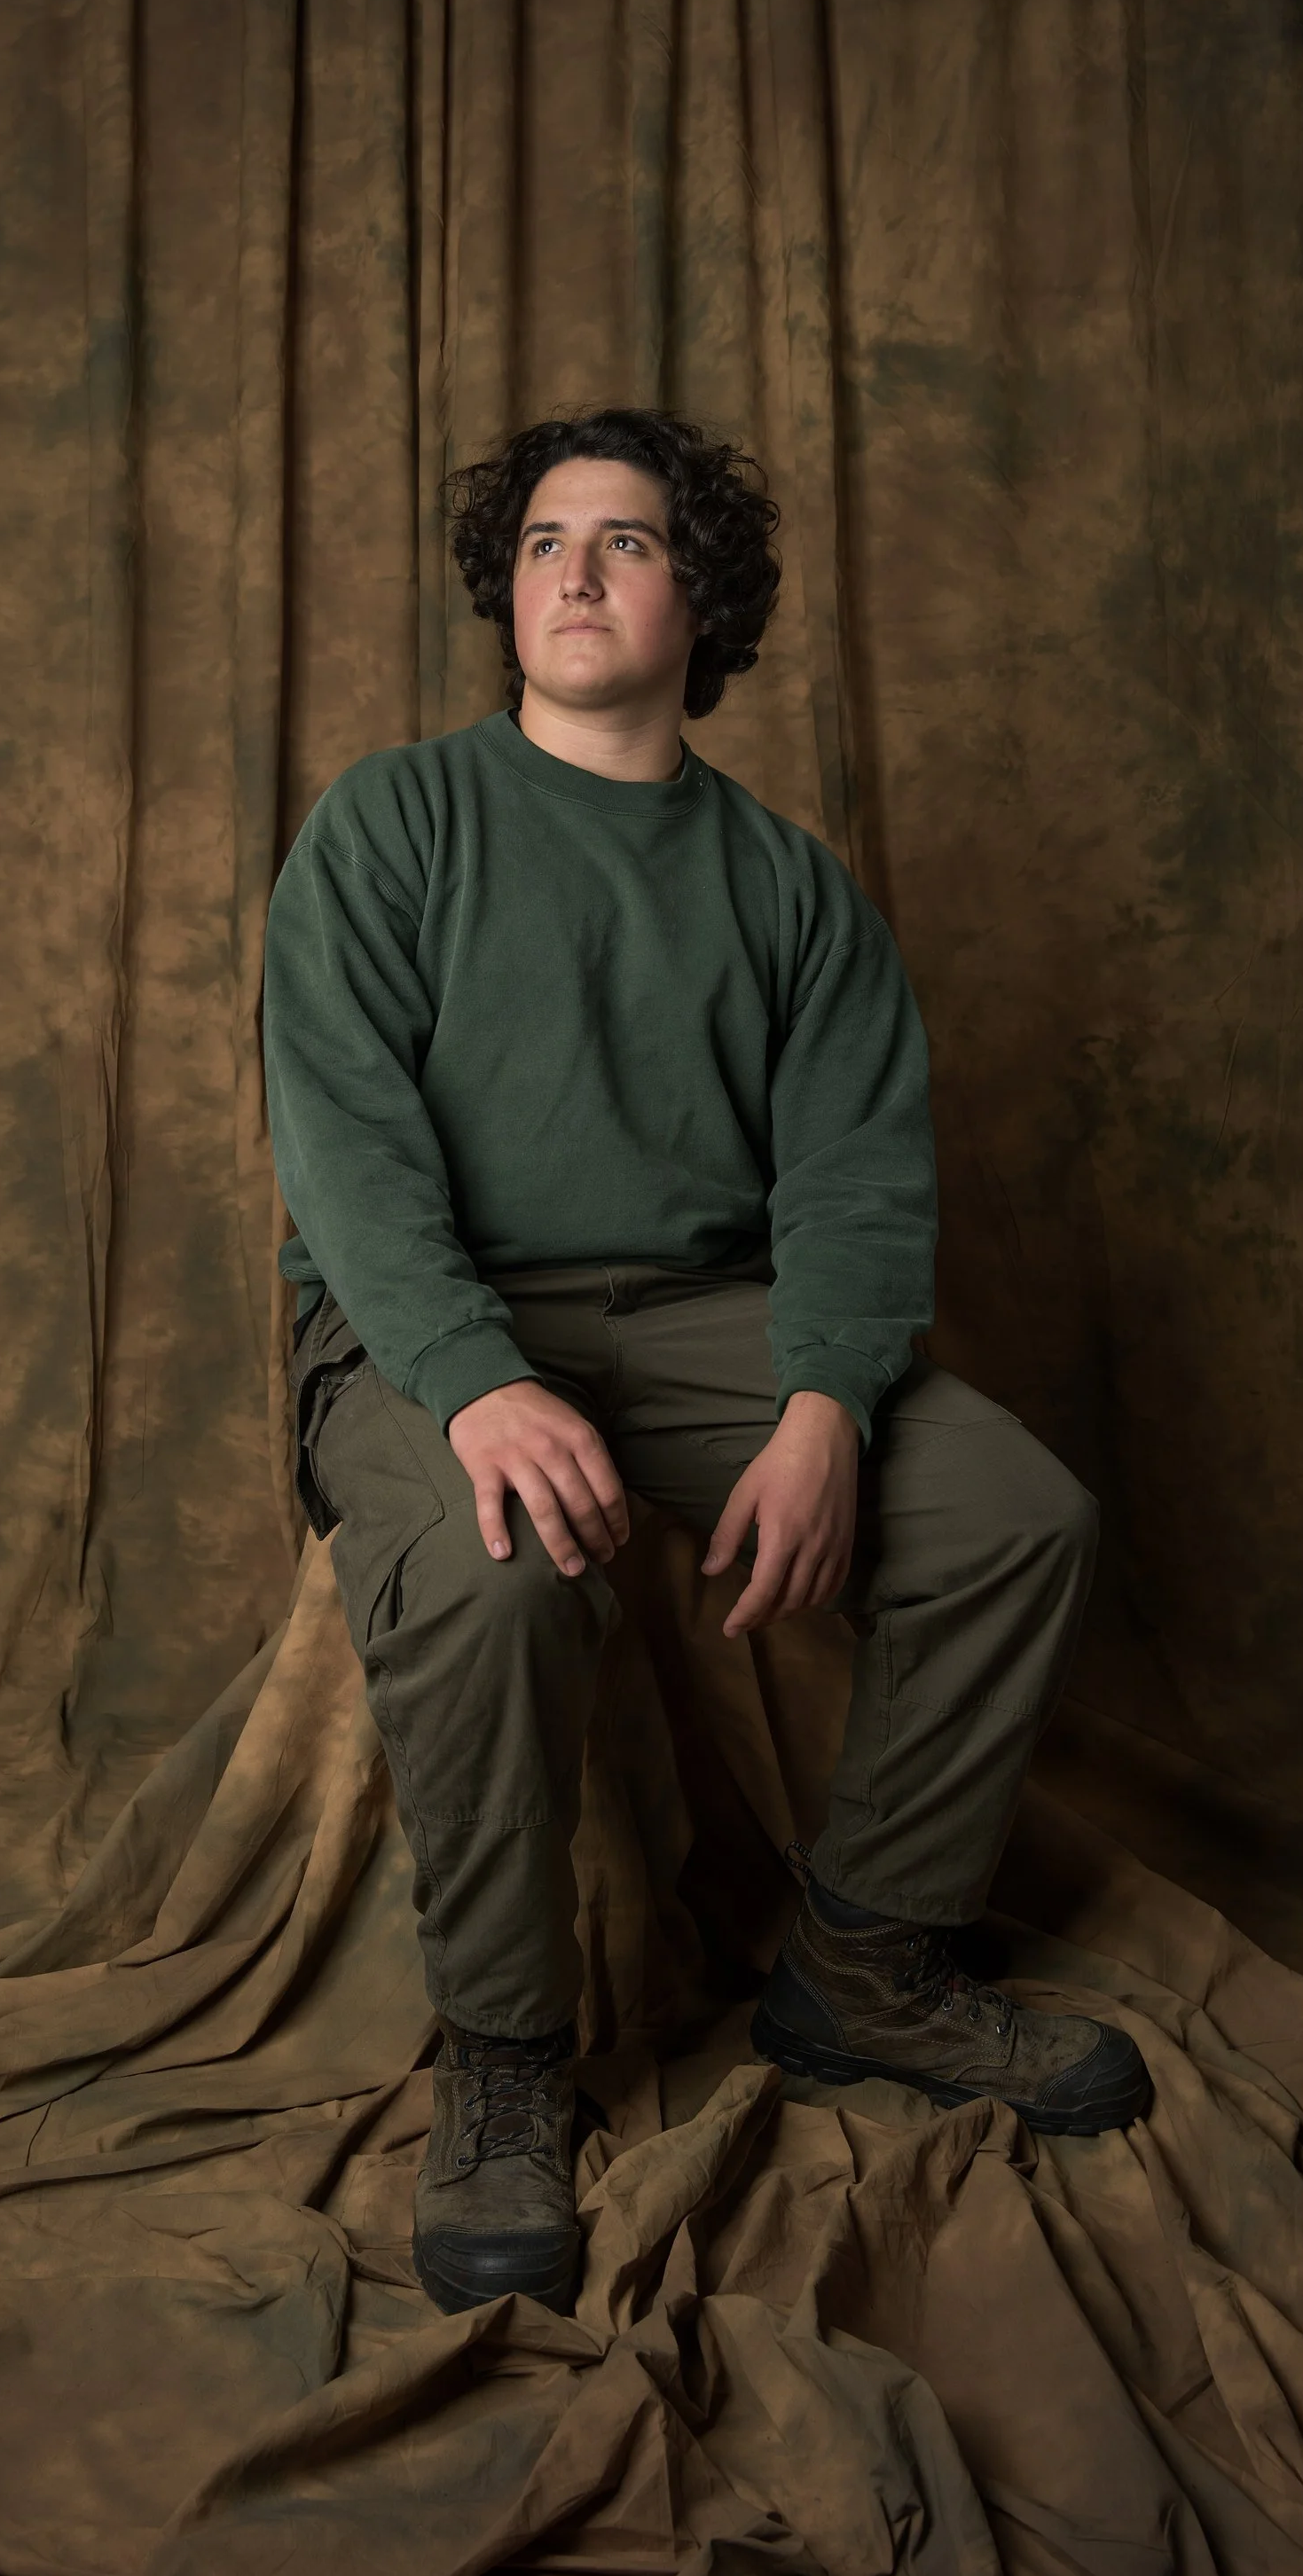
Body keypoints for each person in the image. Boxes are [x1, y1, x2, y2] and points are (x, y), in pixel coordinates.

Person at [263, 408, 1150, 2319]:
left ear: (703, 596)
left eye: (627, 539)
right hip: (423, 1315)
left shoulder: (789, 886)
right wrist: (472, 1375)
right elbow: (343, 1142)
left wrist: (825, 1400)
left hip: (696, 1318)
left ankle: (861, 1968)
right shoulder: (394, 818)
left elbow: (851, 1174)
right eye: (542, 543)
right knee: (501, 1577)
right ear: (505, 593)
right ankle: (501, 2062)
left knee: (1015, 1510)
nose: (575, 568)